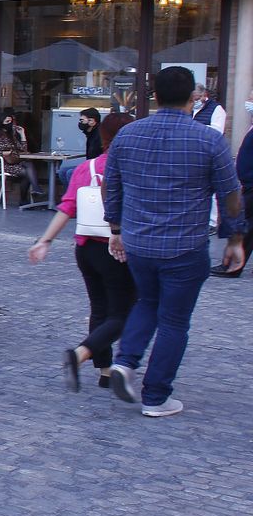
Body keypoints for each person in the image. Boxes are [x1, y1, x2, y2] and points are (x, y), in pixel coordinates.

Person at [103, 66, 244, 416]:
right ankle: (155, 396)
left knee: (147, 303)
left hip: (139, 242)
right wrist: (235, 236)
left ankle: (125, 362)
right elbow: (231, 193)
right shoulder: (209, 140)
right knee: (174, 321)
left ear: (154, 93)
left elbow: (112, 185)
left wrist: (116, 229)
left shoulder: (128, 134)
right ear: (193, 97)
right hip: (185, 244)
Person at [29, 113, 135, 392]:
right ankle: (80, 354)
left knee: (99, 308)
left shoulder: (85, 169)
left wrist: (45, 241)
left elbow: (66, 208)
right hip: (114, 247)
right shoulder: (128, 167)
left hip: (85, 248)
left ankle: (105, 370)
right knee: (123, 313)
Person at [213, 85, 253, 278]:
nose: (249, 103)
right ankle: (234, 263)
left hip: (251, 185)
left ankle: (232, 264)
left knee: (244, 223)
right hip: (248, 182)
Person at [0, 110, 38, 206]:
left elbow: (23, 150)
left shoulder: (11, 136)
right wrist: (4, 153)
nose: (10, 124)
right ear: (1, 122)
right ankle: (28, 195)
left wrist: (22, 134)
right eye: (7, 122)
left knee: (28, 165)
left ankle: (34, 190)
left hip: (11, 163)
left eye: (11, 121)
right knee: (27, 173)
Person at [56, 108, 104, 191]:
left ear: (92, 121)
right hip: (92, 165)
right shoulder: (91, 133)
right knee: (63, 171)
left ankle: (75, 198)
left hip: (97, 167)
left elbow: (95, 157)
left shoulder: (98, 135)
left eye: (82, 120)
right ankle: (70, 196)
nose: (80, 123)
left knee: (70, 173)